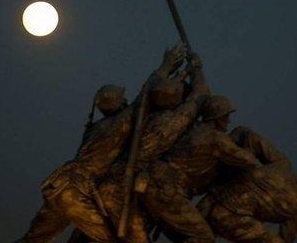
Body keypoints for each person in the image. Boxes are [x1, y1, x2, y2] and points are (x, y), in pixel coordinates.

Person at [14, 44, 186, 243]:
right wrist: (165, 66)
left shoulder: (96, 127)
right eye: (123, 99)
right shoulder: (116, 125)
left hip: (59, 187)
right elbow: (144, 98)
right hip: (75, 191)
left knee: (32, 239)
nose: (126, 101)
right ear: (118, 104)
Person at [90, 52, 210, 243]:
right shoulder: (169, 122)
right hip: (121, 191)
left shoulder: (140, 119)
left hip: (117, 186)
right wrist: (196, 69)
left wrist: (170, 69)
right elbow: (201, 95)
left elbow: (146, 93)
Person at [142, 96, 259, 243]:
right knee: (204, 237)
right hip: (168, 191)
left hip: (153, 185)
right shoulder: (216, 139)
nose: (228, 121)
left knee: (183, 237)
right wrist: (247, 146)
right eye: (226, 116)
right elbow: (250, 162)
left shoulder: (192, 129)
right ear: (217, 117)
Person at [199, 127, 297, 243]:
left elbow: (247, 136)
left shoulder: (282, 164)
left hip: (212, 201)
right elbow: (285, 239)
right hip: (228, 220)